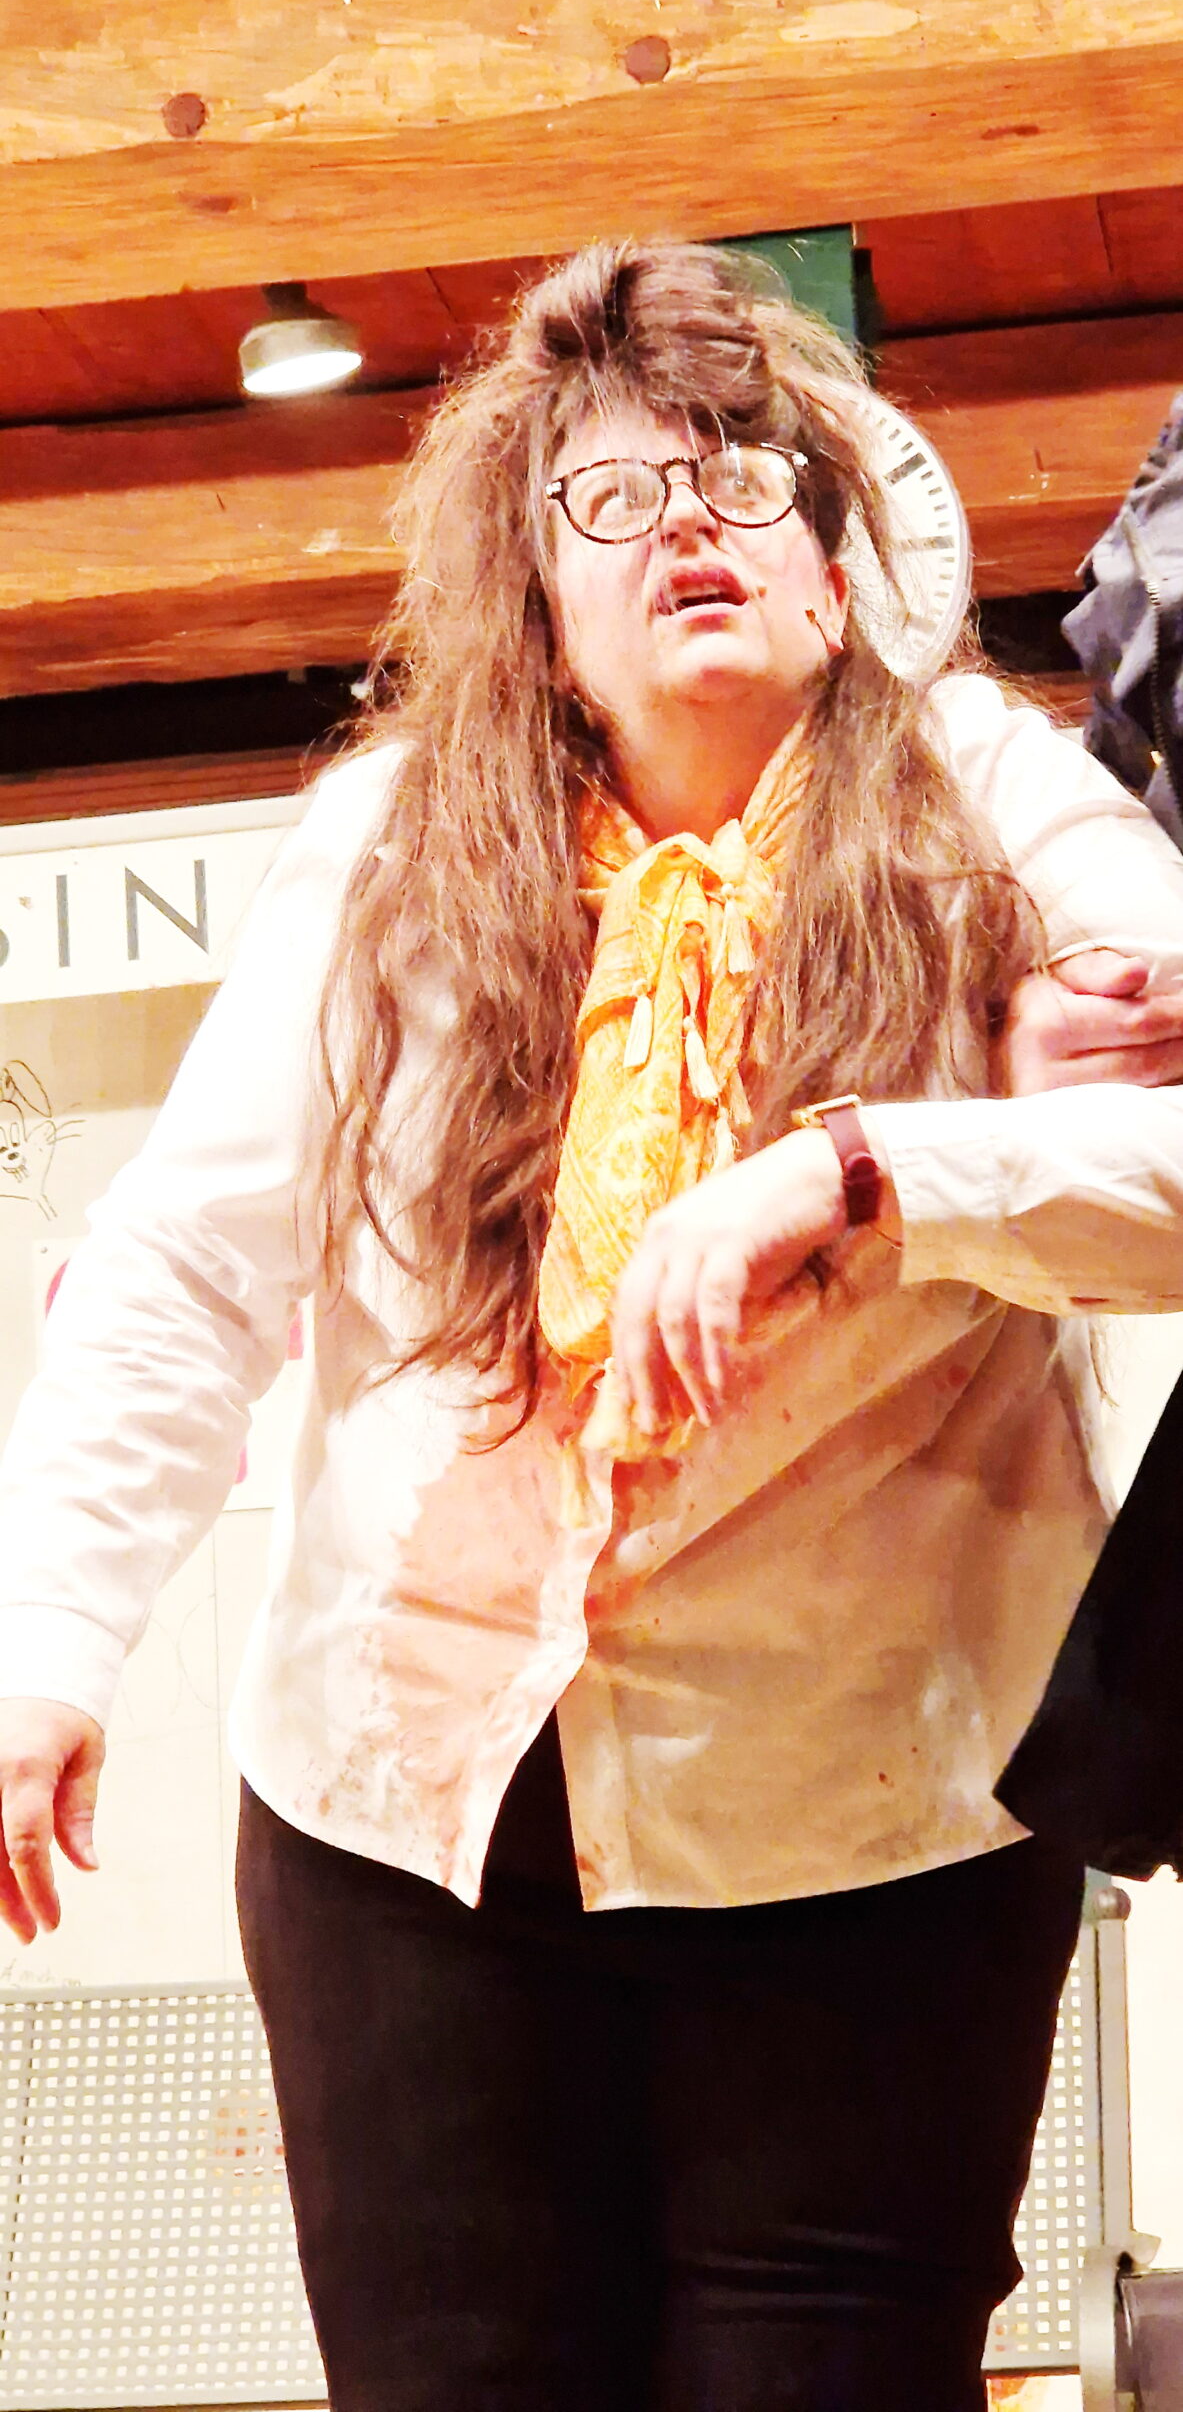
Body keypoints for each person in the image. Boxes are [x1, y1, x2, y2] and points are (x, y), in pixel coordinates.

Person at [3, 243, 1183, 2412]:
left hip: (866, 1821)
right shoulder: (390, 843)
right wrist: (48, 1645)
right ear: (538, 602)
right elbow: (189, 1260)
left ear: (833, 558)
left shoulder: (992, 797)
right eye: (611, 499)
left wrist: (861, 1165)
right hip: (404, 1821)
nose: (687, 526)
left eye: (742, 474)